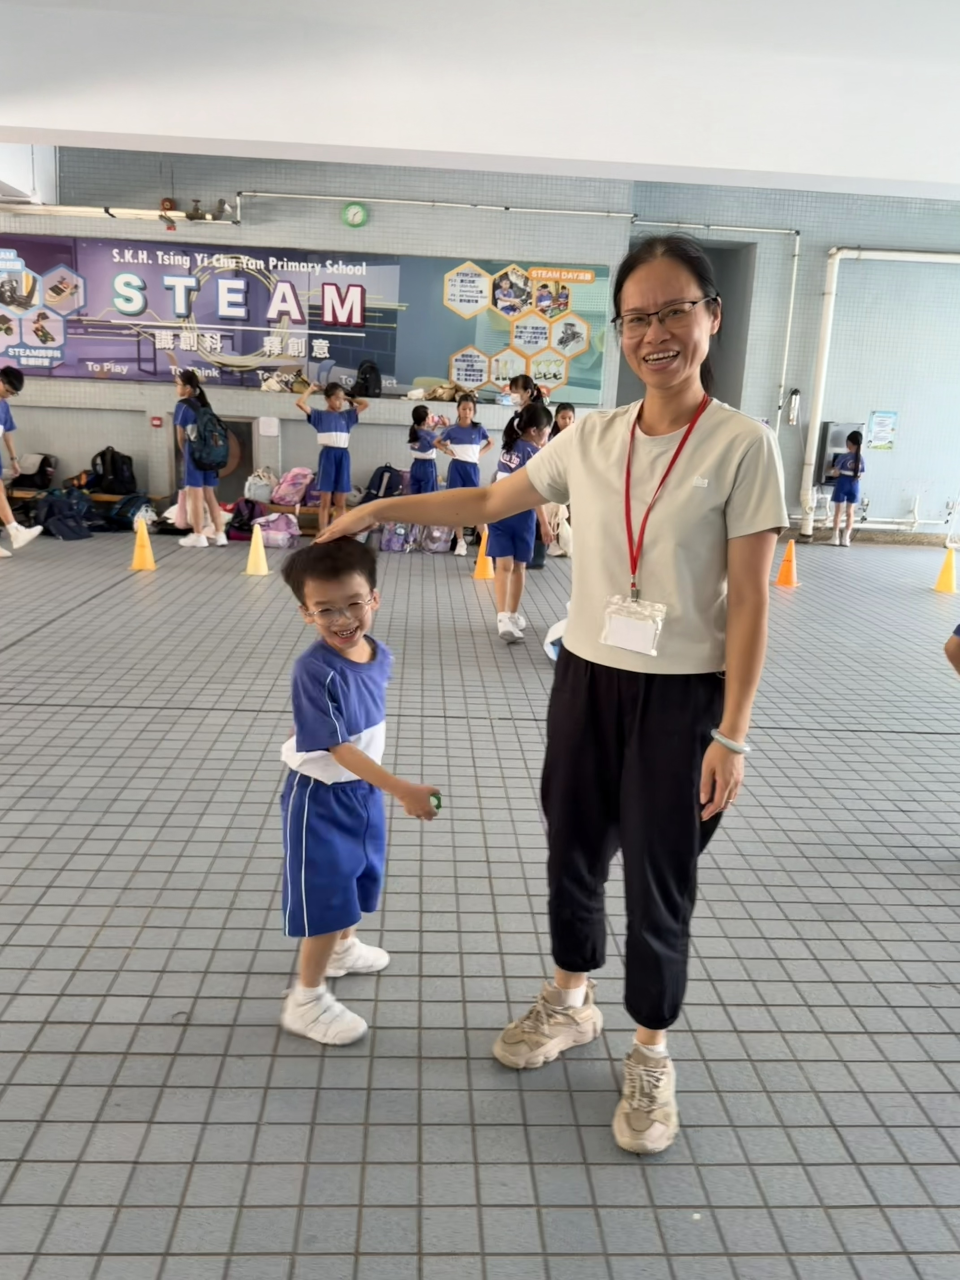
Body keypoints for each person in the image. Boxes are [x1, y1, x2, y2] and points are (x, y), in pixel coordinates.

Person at [318, 234, 788, 1155]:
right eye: (637, 317)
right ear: (620, 330)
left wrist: (731, 735)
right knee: (571, 848)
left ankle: (651, 1051)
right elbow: (488, 504)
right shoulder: (593, 436)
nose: (656, 333)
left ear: (712, 316)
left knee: (659, 875)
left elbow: (750, 602)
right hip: (586, 680)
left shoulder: (742, 444)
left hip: (683, 699)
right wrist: (377, 509)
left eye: (675, 311)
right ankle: (572, 1000)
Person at [278, 539, 440, 1046]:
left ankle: (342, 950)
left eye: (354, 603)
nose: (343, 618)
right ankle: (306, 999)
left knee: (359, 874)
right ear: (306, 613)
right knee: (327, 895)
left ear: (375, 599)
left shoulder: (378, 652)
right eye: (325, 609)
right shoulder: (314, 670)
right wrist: (402, 789)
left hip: (361, 791)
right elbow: (338, 747)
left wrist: (381, 788)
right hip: (320, 797)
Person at [489, 402, 554, 642]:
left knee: (502, 567)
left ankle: (503, 617)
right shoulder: (535, 454)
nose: (548, 435)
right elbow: (535, 492)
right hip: (521, 515)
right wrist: (544, 524)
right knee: (518, 567)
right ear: (535, 431)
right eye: (547, 430)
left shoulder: (508, 446)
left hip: (497, 512)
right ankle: (512, 615)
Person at [294, 381, 369, 531]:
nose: (340, 403)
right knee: (325, 501)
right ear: (327, 399)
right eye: (336, 399)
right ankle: (323, 533)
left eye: (341, 399)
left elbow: (365, 404)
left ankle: (338, 532)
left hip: (343, 456)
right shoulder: (319, 416)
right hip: (327, 456)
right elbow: (299, 403)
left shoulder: (347, 416)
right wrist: (311, 389)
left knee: (340, 502)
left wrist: (348, 397)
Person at [174, 370, 227, 549]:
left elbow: (180, 437)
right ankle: (220, 534)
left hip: (194, 452)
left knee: (195, 495)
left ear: (188, 388)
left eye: (178, 384)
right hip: (211, 453)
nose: (176, 388)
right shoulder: (205, 404)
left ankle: (198, 535)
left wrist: (187, 455)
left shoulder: (183, 406)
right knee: (210, 494)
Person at [436, 393, 492, 556]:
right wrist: (446, 451)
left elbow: (491, 443)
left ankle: (487, 542)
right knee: (457, 505)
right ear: (458, 410)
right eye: (464, 409)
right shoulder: (451, 430)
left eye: (470, 409)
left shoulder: (479, 429)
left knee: (476, 506)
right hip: (456, 468)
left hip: (472, 469)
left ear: (474, 411)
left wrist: (479, 455)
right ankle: (460, 542)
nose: (467, 412)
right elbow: (436, 442)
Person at [0, 366, 42, 558]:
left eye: (13, 394)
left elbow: (7, 433)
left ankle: (14, 530)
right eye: (8, 391)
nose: (9, 395)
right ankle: (15, 530)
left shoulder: (3, 406)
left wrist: (13, 459)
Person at [829, 430, 864, 546]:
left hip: (842, 484)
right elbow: (861, 475)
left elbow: (836, 473)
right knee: (850, 513)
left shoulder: (843, 457)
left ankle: (835, 538)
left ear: (849, 443)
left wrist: (833, 471)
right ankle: (846, 539)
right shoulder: (861, 458)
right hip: (854, 486)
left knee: (838, 512)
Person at [407, 405, 444, 495]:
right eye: (430, 414)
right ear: (426, 420)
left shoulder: (414, 432)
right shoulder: (429, 435)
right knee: (429, 496)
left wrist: (435, 426)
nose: (433, 416)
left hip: (415, 466)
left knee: (415, 496)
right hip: (428, 467)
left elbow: (428, 439)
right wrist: (447, 426)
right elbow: (445, 442)